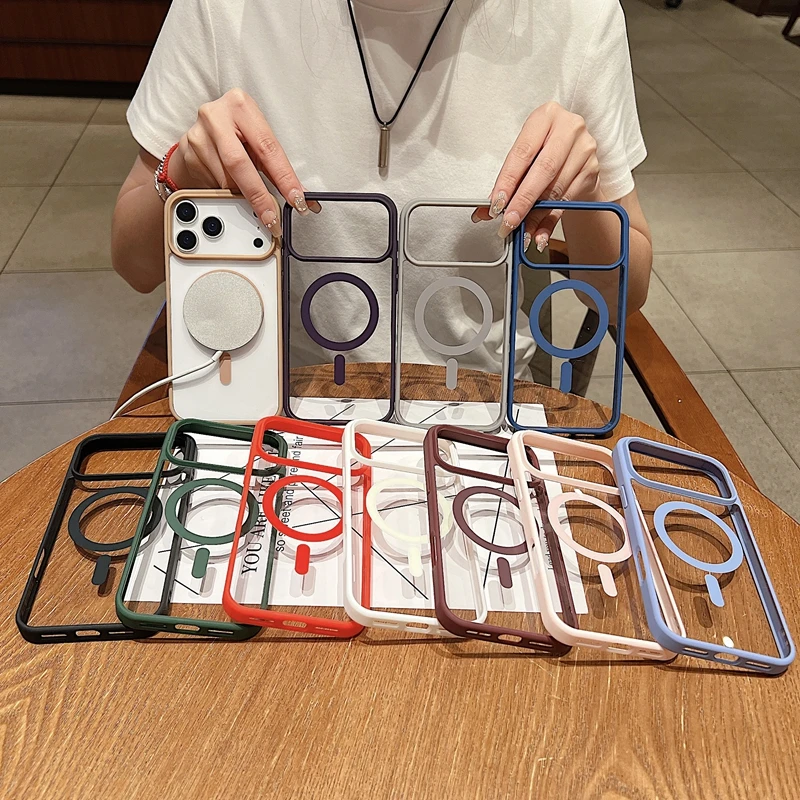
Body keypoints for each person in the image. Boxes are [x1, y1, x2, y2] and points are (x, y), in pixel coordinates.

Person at [112, 0, 652, 377]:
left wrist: (585, 197)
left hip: (480, 412)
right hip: (278, 402)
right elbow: (134, 264)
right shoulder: (221, 11)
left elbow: (622, 296)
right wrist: (182, 173)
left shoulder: (576, 17)